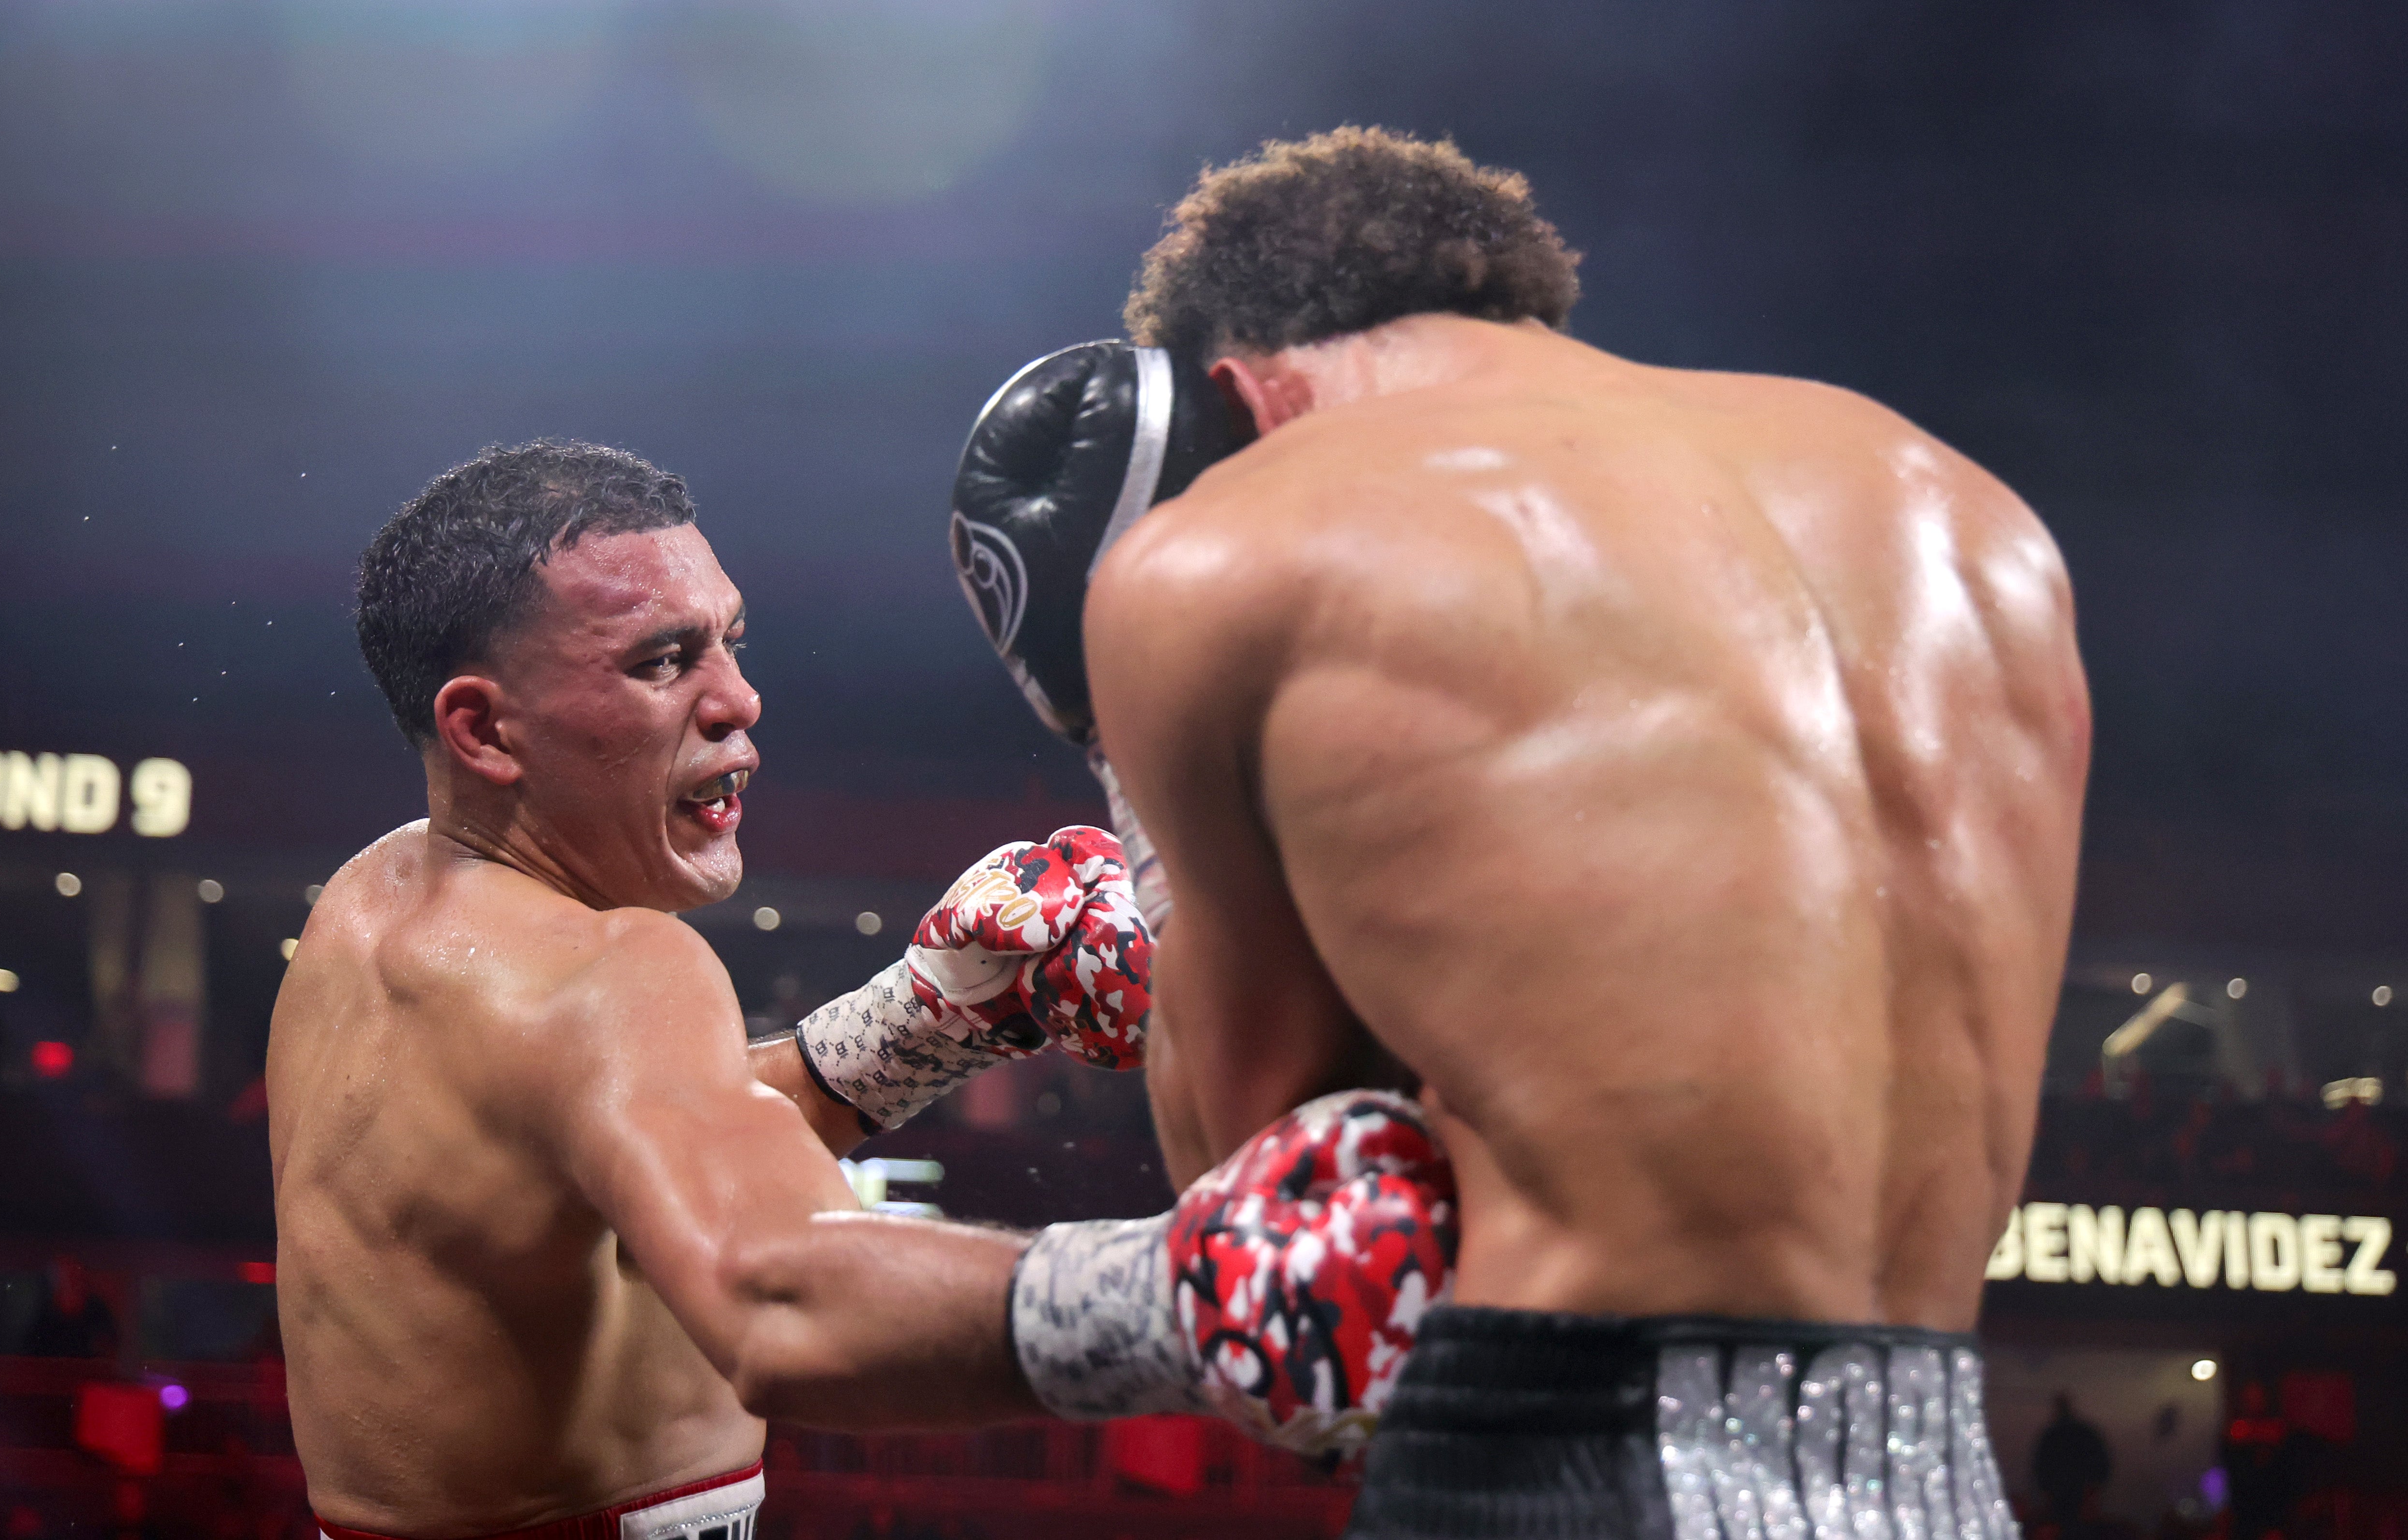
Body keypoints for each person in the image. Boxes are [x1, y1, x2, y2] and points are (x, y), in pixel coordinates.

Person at [949, 127, 2091, 1536]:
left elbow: (1264, 1190)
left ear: (1234, 393)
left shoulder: (1235, 541)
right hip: (1931, 1464)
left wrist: (1123, 761)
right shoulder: (1967, 516)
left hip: (1553, 1453)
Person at [272, 440, 1181, 1540]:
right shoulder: (616, 969)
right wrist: (1193, 1295)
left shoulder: (367, 906)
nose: (739, 698)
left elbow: (604, 1138)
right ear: (482, 725)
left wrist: (921, 1020)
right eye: (662, 660)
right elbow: (787, 1304)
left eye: (731, 642)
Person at [2031, 1392, 2114, 1533]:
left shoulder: (2052, 1435)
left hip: (2069, 1494)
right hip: (2079, 1494)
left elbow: (2040, 1468)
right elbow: (2102, 1464)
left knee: (2067, 1529)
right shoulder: (2085, 1432)